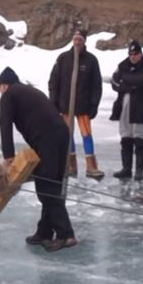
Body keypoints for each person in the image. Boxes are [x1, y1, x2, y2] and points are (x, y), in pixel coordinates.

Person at [0, 67, 77, 252]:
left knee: (46, 188)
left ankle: (66, 234)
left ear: (3, 85)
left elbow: (5, 123)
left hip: (46, 139)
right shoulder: (31, 90)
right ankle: (44, 232)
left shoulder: (9, 94)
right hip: (62, 135)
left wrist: (8, 155)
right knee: (52, 185)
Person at [48, 29, 104, 180]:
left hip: (83, 107)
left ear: (84, 41)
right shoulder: (63, 58)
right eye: (75, 39)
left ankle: (91, 166)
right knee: (67, 135)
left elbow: (96, 85)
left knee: (86, 135)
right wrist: (53, 101)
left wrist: (94, 105)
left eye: (80, 39)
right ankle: (70, 165)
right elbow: (53, 81)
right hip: (65, 106)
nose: (77, 42)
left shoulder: (91, 60)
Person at [109, 40, 143, 181]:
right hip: (124, 107)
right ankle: (127, 169)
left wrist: (126, 81)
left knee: (139, 140)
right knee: (125, 139)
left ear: (141, 54)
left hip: (140, 108)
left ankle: (139, 170)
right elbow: (114, 82)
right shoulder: (123, 65)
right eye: (130, 54)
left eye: (135, 54)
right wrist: (129, 85)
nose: (133, 57)